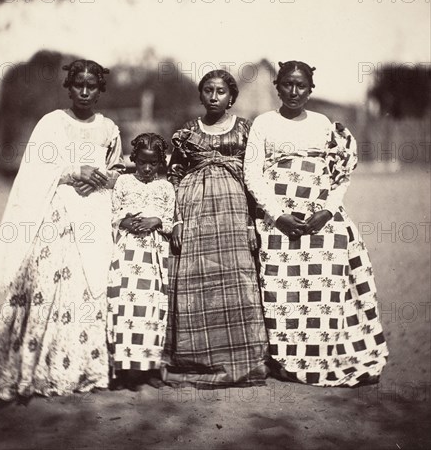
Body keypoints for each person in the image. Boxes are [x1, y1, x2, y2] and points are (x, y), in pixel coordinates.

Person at [0, 59, 125, 400]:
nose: (84, 91)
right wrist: (72, 172)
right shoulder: (51, 124)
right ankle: (27, 369)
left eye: (92, 86)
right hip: (56, 212)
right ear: (68, 86)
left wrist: (102, 179)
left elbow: (116, 170)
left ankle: (81, 368)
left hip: (92, 214)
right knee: (44, 283)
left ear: (100, 89)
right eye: (78, 84)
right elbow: (35, 170)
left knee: (88, 284)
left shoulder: (109, 128)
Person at [244, 60, 388, 386]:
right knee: (283, 288)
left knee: (331, 274)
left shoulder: (323, 124)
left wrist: (327, 211)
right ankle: (287, 359)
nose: (294, 92)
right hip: (278, 217)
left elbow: (340, 176)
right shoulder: (264, 123)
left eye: (301, 86)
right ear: (277, 86)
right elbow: (252, 173)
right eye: (287, 85)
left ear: (311, 90)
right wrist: (277, 214)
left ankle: (326, 355)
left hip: (320, 215)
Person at [162, 70, 269, 387]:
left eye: (220, 91)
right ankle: (197, 358)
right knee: (199, 279)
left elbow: (254, 179)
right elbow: (175, 177)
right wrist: (177, 220)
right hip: (195, 215)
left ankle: (242, 357)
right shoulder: (187, 133)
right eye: (207, 90)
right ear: (201, 95)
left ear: (232, 97)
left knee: (235, 280)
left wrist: (252, 222)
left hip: (234, 217)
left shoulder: (246, 131)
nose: (213, 96)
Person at [107, 133, 175, 391]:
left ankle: (150, 368)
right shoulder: (124, 182)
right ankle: (123, 370)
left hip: (153, 256)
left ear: (161, 163)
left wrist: (155, 221)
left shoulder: (165, 187)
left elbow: (169, 220)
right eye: (143, 162)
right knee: (125, 307)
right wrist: (125, 222)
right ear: (134, 159)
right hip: (127, 254)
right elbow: (113, 214)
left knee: (151, 309)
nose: (147, 169)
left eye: (154, 163)